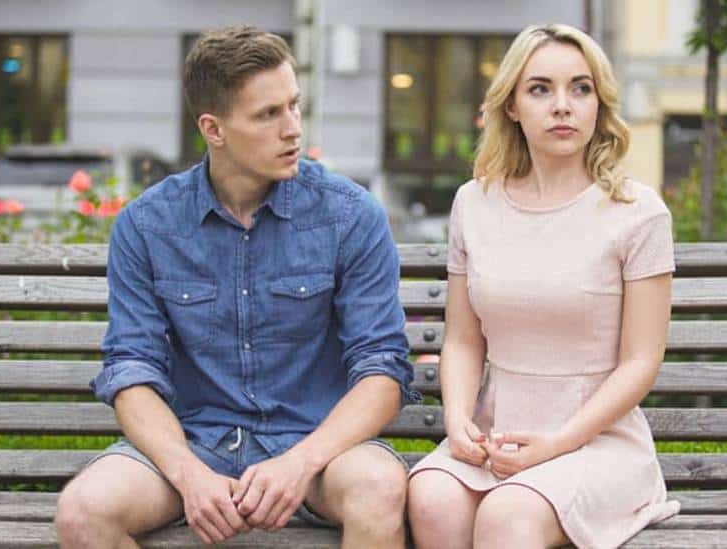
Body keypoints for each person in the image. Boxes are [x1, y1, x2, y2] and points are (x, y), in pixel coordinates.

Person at [54, 26, 418, 549]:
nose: (292, 128)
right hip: (196, 446)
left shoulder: (349, 216)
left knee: (379, 488)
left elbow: (382, 368)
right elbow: (132, 368)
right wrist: (186, 472)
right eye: (268, 115)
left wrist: (301, 461)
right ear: (214, 128)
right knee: (82, 513)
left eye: (293, 105)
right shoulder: (148, 226)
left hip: (322, 453)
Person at [408, 23, 680, 549]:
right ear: (511, 105)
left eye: (581, 88)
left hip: (597, 442)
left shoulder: (637, 212)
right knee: (430, 499)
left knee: (509, 516)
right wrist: (459, 420)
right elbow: (464, 339)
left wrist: (557, 442)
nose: (563, 105)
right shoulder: (475, 203)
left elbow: (640, 362)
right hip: (497, 433)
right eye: (541, 89)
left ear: (598, 104)